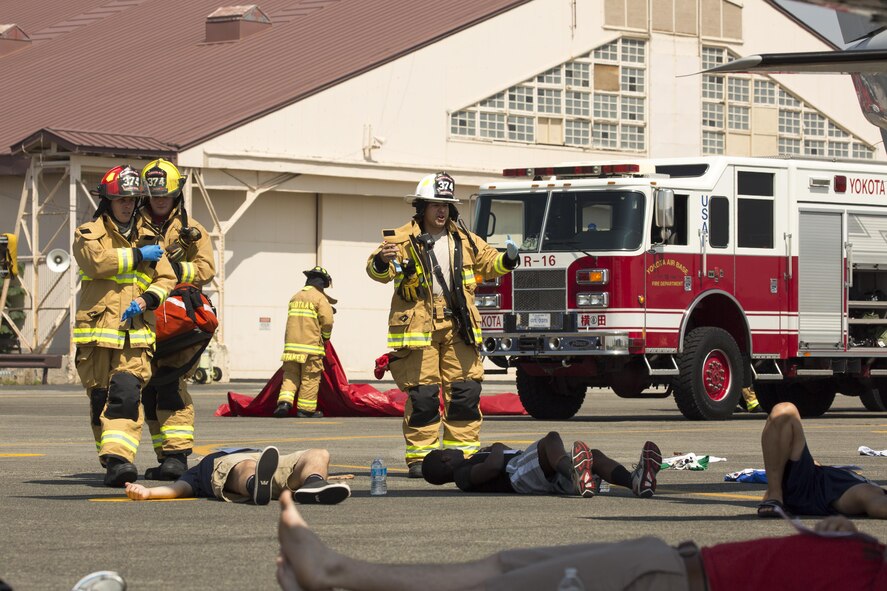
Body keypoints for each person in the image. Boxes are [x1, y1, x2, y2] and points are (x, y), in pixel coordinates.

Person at [276, 495, 887, 591]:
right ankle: (339, 569)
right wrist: (842, 536)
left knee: (497, 585)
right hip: (667, 561)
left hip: (668, 582)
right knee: (496, 568)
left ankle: (333, 572)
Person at [366, 172, 519, 477]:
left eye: (446, 205)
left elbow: (489, 263)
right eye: (435, 204)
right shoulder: (400, 239)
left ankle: (461, 454)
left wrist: (509, 258)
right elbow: (376, 271)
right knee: (423, 397)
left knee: (465, 392)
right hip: (419, 328)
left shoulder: (464, 239)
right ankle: (420, 458)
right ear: (421, 207)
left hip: (458, 327)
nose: (441, 211)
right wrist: (384, 260)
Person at [73, 165, 176, 487]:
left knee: (126, 395)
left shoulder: (150, 236)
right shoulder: (88, 234)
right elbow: (97, 262)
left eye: (132, 200)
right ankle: (111, 460)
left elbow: (167, 278)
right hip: (97, 336)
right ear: (107, 201)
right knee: (99, 401)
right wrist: (137, 254)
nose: (128, 205)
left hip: (135, 334)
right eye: (121, 200)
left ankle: (120, 461)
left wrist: (148, 299)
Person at [137, 158, 216, 481]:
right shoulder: (128, 225)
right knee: (148, 391)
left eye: (165, 196)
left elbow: (207, 269)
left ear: (176, 195)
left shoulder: (192, 230)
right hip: (141, 317)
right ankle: (164, 455)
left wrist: (170, 269)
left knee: (170, 385)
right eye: (154, 195)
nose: (159, 201)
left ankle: (178, 456)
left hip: (178, 320)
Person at [422, 432, 662, 499]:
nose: (452, 449)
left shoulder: (465, 466)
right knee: (551, 440)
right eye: (447, 450)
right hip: (516, 476)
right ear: (445, 459)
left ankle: (635, 481)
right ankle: (575, 473)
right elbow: (495, 466)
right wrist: (495, 446)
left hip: (534, 478)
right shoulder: (463, 474)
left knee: (594, 456)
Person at [758, 401, 887, 518]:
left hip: (808, 487)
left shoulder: (869, 491)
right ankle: (774, 493)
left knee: (785, 410)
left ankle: (774, 494)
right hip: (807, 479)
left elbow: (876, 505)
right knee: (783, 412)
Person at [124, 446, 350, 505]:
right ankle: (254, 485)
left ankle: (313, 483)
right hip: (234, 468)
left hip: (268, 462)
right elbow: (178, 489)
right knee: (243, 465)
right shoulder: (200, 468)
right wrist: (148, 492)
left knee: (319, 454)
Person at [274, 266, 336, 418]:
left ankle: (284, 403)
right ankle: (305, 409)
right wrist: (326, 337)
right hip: (311, 347)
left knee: (290, 376)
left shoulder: (295, 297)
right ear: (322, 283)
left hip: (291, 348)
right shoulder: (320, 298)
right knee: (310, 377)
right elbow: (327, 321)